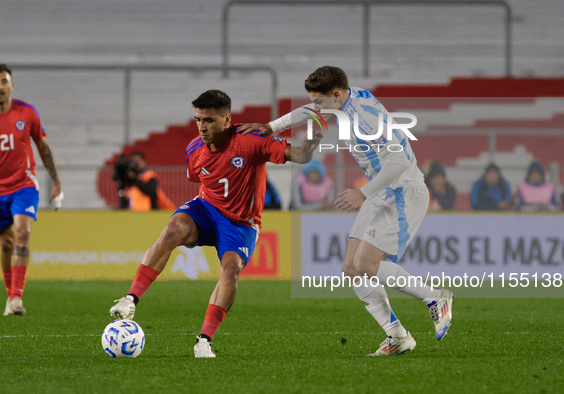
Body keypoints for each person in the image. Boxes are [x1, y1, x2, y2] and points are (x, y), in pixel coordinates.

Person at [238, 66, 453, 356]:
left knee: (366, 265)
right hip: (381, 191)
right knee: (352, 269)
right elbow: (310, 109)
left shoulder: (365, 117)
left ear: (337, 95)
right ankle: (397, 336)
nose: (317, 107)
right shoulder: (347, 100)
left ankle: (436, 298)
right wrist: (272, 127)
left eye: (321, 101)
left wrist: (361, 192)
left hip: (403, 191)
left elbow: (400, 162)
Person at [109, 90, 321, 358]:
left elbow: (300, 155)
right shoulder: (194, 149)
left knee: (230, 270)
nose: (202, 126)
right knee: (173, 229)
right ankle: (130, 299)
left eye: (208, 120)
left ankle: (204, 341)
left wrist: (313, 139)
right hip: (208, 209)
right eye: (198, 119)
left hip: (241, 223)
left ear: (227, 119)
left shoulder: (250, 142)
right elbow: (200, 180)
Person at [0, 64, 63, 316]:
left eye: (4, 81)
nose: (0, 87)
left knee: (22, 233)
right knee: (6, 245)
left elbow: (43, 147)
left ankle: (16, 298)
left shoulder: (26, 113)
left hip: (23, 186)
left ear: (11, 85)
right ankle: (9, 295)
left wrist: (56, 181)